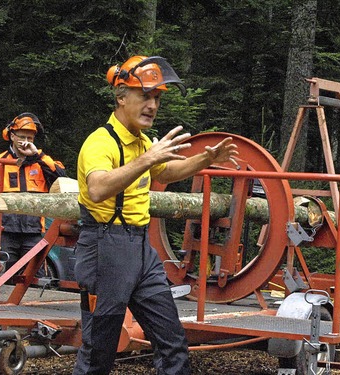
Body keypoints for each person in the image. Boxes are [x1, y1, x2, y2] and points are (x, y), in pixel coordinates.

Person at [73, 55, 238, 375]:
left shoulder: (142, 141)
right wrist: (147, 159)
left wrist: (204, 160)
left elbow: (168, 169)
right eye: (145, 96)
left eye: (157, 99)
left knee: (172, 340)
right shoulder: (99, 142)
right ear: (121, 97)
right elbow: (96, 188)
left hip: (140, 250)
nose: (152, 105)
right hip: (104, 249)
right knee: (100, 352)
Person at [0, 113, 66, 281]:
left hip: (33, 232)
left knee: (35, 279)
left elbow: (61, 178)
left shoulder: (41, 163)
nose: (25, 141)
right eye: (21, 137)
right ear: (12, 136)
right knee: (2, 280)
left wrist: (38, 156)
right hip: (5, 232)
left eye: (30, 138)